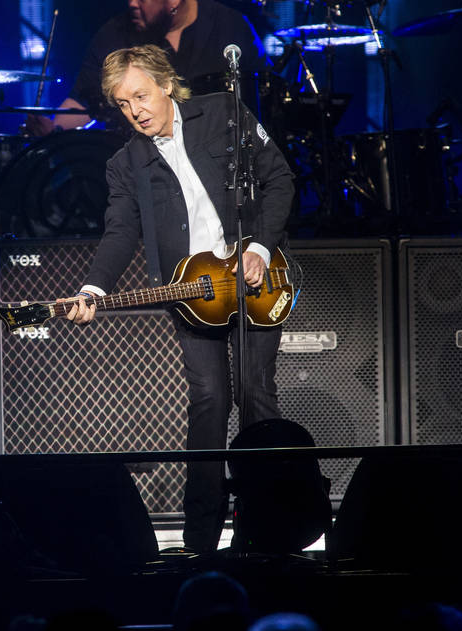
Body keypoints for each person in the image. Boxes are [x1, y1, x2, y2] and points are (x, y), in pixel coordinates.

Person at [63, 44, 294, 552]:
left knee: (256, 396)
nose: (135, 111)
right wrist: (93, 288)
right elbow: (121, 230)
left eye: (141, 96)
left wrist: (258, 246)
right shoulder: (127, 164)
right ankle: (201, 537)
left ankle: (267, 528)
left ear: (166, 84)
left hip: (255, 280)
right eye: (123, 105)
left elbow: (280, 180)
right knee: (209, 399)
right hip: (193, 295)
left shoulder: (223, 114)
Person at [28, 0, 267, 135]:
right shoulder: (116, 33)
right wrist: (52, 127)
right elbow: (83, 101)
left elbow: (264, 89)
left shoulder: (229, 24)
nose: (132, 3)